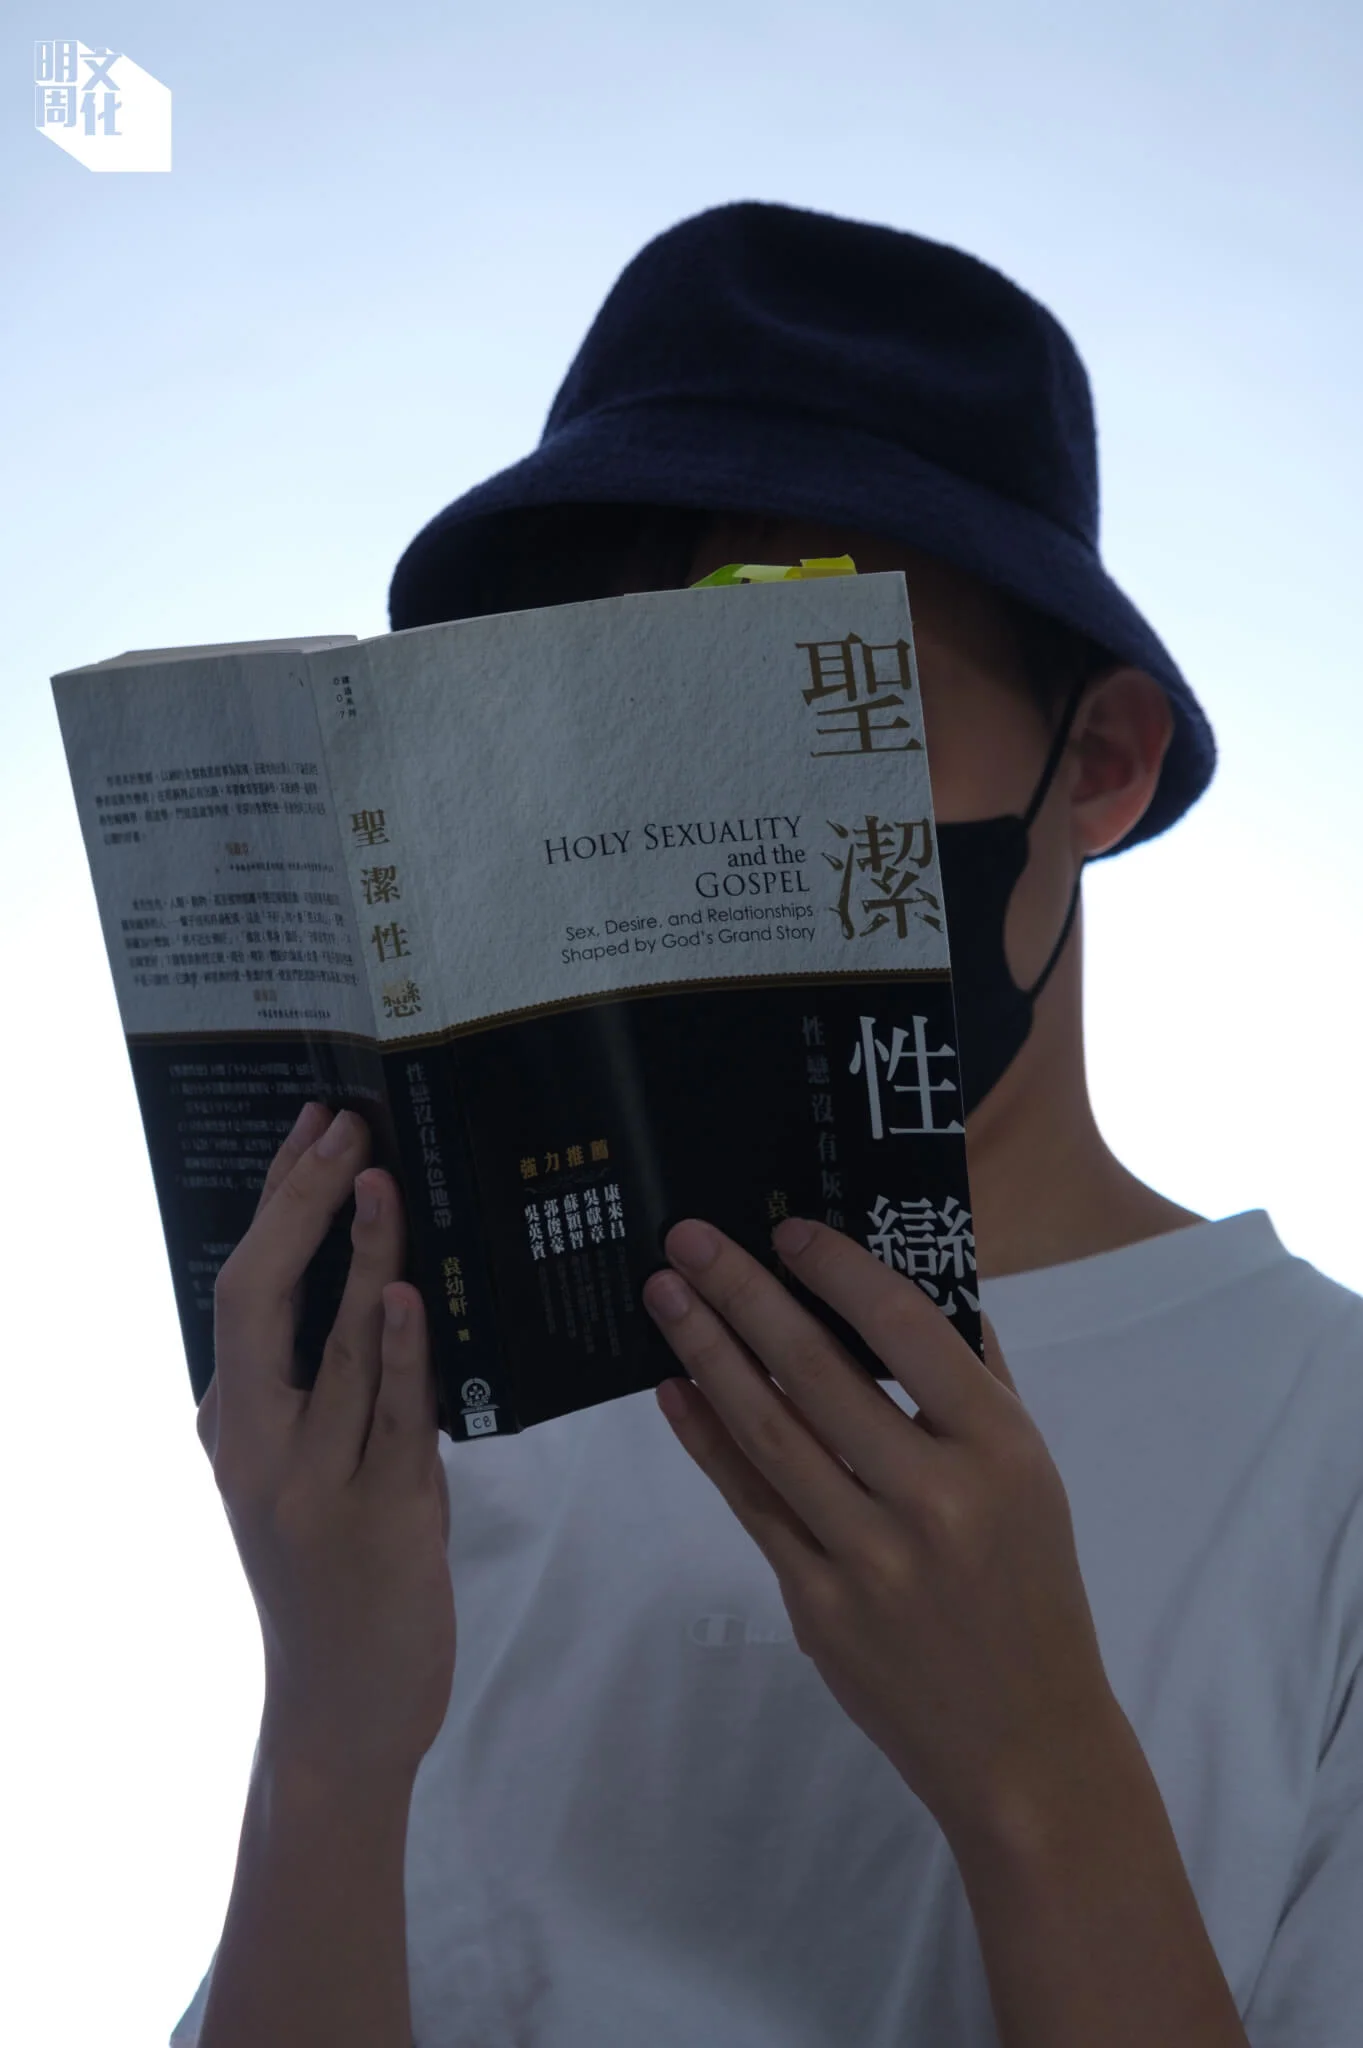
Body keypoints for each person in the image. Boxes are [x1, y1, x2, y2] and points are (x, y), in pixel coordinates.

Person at [173, 203, 1363, 2047]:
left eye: (796, 679)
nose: (678, 797)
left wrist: (1040, 1771)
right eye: (593, 702)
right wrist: (327, 1736)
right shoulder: (460, 1410)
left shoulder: (1325, 1440)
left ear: (1099, 760)